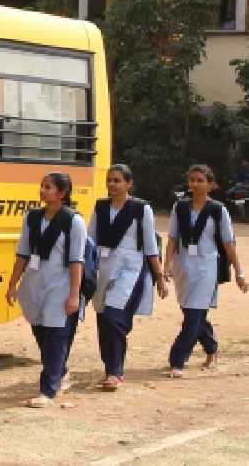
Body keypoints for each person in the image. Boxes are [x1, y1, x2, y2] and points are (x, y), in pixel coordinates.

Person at [6, 172, 86, 409]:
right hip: (34, 281)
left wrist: (74, 294)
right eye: (42, 186)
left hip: (60, 283)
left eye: (48, 187)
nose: (42, 191)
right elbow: (23, 253)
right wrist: (13, 284)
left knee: (56, 335)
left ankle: (48, 390)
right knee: (41, 331)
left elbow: (77, 260)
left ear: (62, 193)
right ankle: (61, 371)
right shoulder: (32, 217)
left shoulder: (73, 221)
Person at [163, 164, 248, 377]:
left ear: (211, 184)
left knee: (194, 314)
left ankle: (177, 360)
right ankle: (211, 348)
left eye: (200, 180)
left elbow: (228, 243)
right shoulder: (179, 208)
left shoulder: (218, 210)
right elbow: (172, 238)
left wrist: (239, 273)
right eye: (192, 180)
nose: (195, 184)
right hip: (183, 266)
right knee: (193, 313)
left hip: (207, 267)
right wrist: (167, 266)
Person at [90, 163, 168, 391]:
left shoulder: (141, 209)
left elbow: (150, 247)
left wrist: (159, 276)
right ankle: (110, 366)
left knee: (114, 315)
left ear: (129, 184)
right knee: (103, 319)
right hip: (103, 267)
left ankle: (115, 372)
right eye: (109, 180)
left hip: (130, 268)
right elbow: (91, 239)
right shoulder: (101, 206)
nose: (112, 184)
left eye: (117, 180)